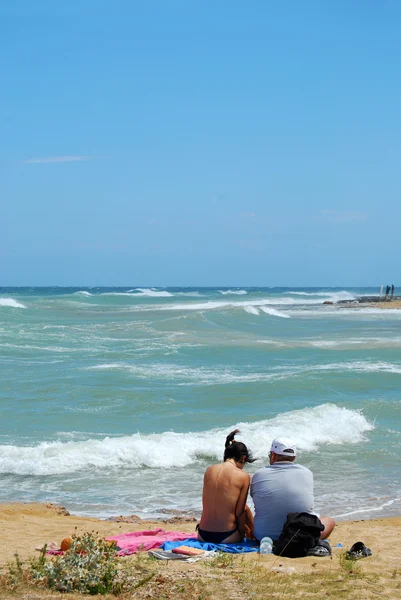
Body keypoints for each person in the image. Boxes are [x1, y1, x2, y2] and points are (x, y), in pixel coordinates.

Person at [250, 437, 335, 542]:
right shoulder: (306, 473)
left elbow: (256, 498)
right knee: (329, 521)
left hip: (264, 535)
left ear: (273, 455)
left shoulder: (259, 474)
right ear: (294, 457)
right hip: (301, 537)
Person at [197, 429, 255, 544]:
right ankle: (253, 533)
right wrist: (244, 533)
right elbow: (239, 512)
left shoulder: (209, 470)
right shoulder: (244, 476)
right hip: (226, 536)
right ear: (243, 458)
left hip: (202, 534)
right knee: (244, 509)